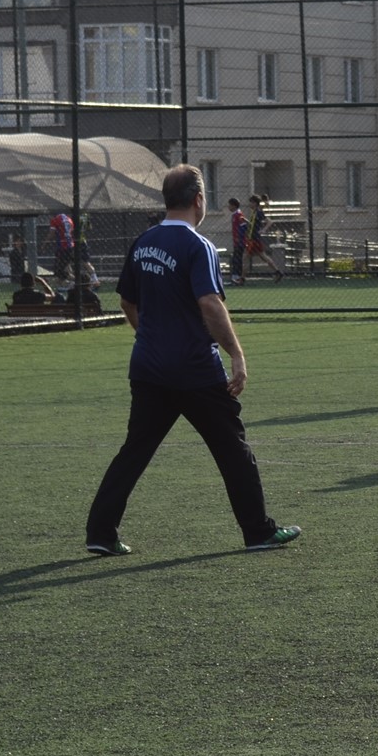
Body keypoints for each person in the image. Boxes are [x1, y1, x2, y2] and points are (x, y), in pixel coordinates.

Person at [84, 164, 300, 557]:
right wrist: (237, 355)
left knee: (134, 451)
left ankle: (100, 532)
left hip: (148, 367)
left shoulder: (143, 242)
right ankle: (258, 531)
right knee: (233, 450)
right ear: (199, 199)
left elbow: (127, 302)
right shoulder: (197, 246)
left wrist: (150, 336)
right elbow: (210, 304)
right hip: (195, 368)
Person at [245, 195, 285, 280]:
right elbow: (253, 225)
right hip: (252, 238)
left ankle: (241, 278)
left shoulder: (259, 212)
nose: (249, 204)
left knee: (246, 258)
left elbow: (269, 221)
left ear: (255, 203)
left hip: (254, 239)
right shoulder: (254, 212)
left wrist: (263, 230)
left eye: (251, 202)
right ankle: (278, 272)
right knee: (263, 256)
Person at [9, 234, 56, 302]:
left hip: (21, 270)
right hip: (16, 271)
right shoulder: (13, 252)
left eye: (20, 241)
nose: (19, 243)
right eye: (17, 241)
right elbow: (52, 297)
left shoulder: (16, 295)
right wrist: (42, 282)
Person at [50, 210, 76, 287]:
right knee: (67, 265)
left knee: (60, 269)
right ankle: (62, 284)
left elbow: (52, 233)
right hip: (70, 245)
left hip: (62, 247)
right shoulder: (69, 219)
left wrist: (45, 242)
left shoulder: (55, 220)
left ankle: (76, 281)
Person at [228, 197, 248, 284]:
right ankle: (236, 277)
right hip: (236, 241)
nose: (228, 207)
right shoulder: (235, 215)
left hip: (240, 242)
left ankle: (237, 277)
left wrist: (239, 238)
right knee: (236, 258)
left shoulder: (239, 215)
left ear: (234, 206)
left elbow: (243, 227)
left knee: (237, 259)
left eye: (230, 205)